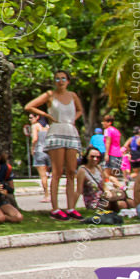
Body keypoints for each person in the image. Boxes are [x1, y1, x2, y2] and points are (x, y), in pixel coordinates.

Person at [25, 69, 84, 221]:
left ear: (68, 81)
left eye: (63, 78)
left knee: (71, 171)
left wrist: (73, 119)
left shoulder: (73, 95)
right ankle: (55, 208)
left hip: (70, 132)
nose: (60, 81)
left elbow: (80, 110)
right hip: (56, 132)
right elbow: (29, 106)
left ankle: (71, 207)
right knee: (57, 172)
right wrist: (46, 115)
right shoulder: (50, 95)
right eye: (57, 79)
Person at [28, 113, 51, 202]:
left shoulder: (35, 126)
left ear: (37, 117)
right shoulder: (48, 127)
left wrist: (32, 148)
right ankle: (52, 195)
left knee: (43, 176)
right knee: (49, 175)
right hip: (48, 152)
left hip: (39, 151)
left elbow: (35, 139)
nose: (30, 119)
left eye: (31, 117)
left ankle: (46, 196)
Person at [101, 115, 124, 185]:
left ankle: (121, 187)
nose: (102, 123)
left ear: (109, 122)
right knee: (114, 175)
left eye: (104, 121)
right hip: (119, 154)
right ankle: (117, 192)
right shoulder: (117, 131)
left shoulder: (107, 130)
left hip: (111, 154)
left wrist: (106, 154)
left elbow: (108, 142)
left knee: (105, 173)